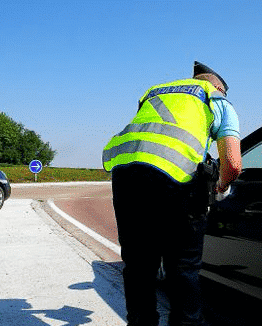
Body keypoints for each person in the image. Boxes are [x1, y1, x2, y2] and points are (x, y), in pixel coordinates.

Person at [102, 61, 242, 326]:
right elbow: (232, 164)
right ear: (219, 86)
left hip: (126, 176)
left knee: (138, 269)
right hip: (176, 182)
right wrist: (220, 186)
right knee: (183, 269)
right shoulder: (216, 99)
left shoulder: (155, 92)